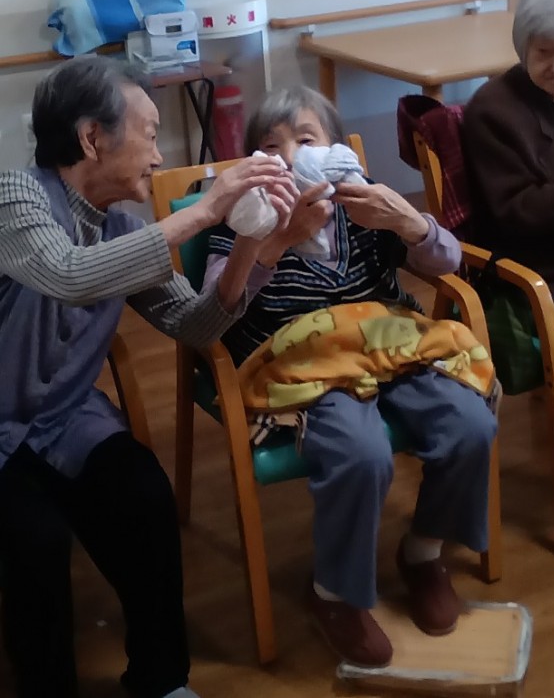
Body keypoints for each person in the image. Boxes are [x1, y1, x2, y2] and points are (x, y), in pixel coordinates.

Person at [0, 56, 297, 698]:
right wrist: (206, 208)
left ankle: (161, 680)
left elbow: (195, 325)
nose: (159, 156)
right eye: (151, 134)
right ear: (91, 138)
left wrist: (252, 242)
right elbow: (69, 274)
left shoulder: (124, 229)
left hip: (64, 419)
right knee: (34, 543)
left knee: (144, 498)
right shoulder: (15, 196)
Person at [202, 86, 498, 668]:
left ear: (336, 150)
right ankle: (334, 593)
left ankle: (423, 552)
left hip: (390, 343)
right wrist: (275, 240)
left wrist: (409, 221)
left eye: (306, 140)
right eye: (272, 147)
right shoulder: (247, 215)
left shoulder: (364, 202)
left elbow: (447, 263)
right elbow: (219, 303)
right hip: (303, 362)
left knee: (470, 425)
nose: (291, 157)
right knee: (361, 454)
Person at [463, 0, 554, 368]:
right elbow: (515, 214)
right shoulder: (493, 110)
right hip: (550, 278)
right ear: (524, 46)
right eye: (544, 52)